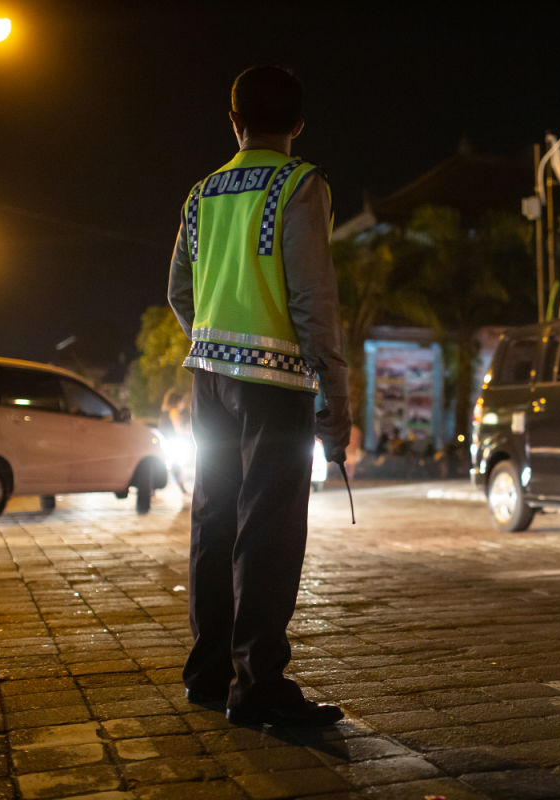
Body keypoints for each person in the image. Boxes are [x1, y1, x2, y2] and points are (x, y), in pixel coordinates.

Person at [167, 65, 350, 727]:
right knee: (268, 530)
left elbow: (178, 294)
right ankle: (259, 687)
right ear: (297, 125)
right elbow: (313, 302)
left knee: (214, 521)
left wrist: (214, 343)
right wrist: (336, 400)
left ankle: (208, 672)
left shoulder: (202, 193)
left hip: (209, 380)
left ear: (234, 120)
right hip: (276, 385)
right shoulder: (301, 185)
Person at [159, 389, 190, 495]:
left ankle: (152, 492)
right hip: (172, 443)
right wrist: (190, 431)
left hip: (165, 442)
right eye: (182, 402)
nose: (183, 405)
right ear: (177, 402)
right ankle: (184, 491)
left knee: (171, 466)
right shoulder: (174, 412)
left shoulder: (165, 413)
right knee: (175, 466)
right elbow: (178, 429)